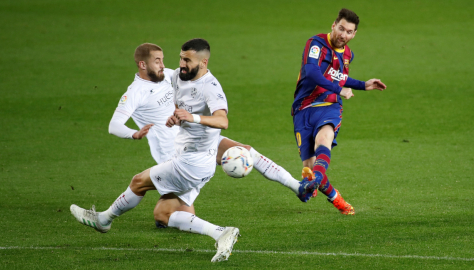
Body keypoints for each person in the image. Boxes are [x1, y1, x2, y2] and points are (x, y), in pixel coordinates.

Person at [71, 39, 237, 262]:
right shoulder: (166, 82)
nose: (176, 64)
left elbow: (222, 121)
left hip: (191, 162)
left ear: (203, 62)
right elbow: (117, 124)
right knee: (165, 214)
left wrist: (190, 117)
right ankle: (220, 232)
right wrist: (177, 119)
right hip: (201, 161)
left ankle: (104, 220)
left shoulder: (207, 85)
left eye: (185, 59)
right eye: (177, 58)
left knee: (138, 182)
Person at [107, 43, 319, 208]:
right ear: (143, 65)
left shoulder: (169, 76)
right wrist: (134, 134)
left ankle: (297, 187)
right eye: (157, 61)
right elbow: (114, 125)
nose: (163, 64)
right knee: (165, 214)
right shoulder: (135, 92)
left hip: (196, 138)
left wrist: (182, 114)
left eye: (163, 60)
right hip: (174, 152)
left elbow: (182, 96)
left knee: (246, 152)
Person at [292, 8, 387, 215]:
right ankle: (332, 194)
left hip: (329, 106)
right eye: (341, 28)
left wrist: (363, 85)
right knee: (309, 171)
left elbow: (339, 78)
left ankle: (336, 199)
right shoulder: (316, 43)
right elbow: (312, 72)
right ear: (333, 25)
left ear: (354, 35)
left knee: (324, 140)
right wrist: (341, 89)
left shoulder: (348, 55)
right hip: (303, 108)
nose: (343, 35)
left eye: (349, 32)